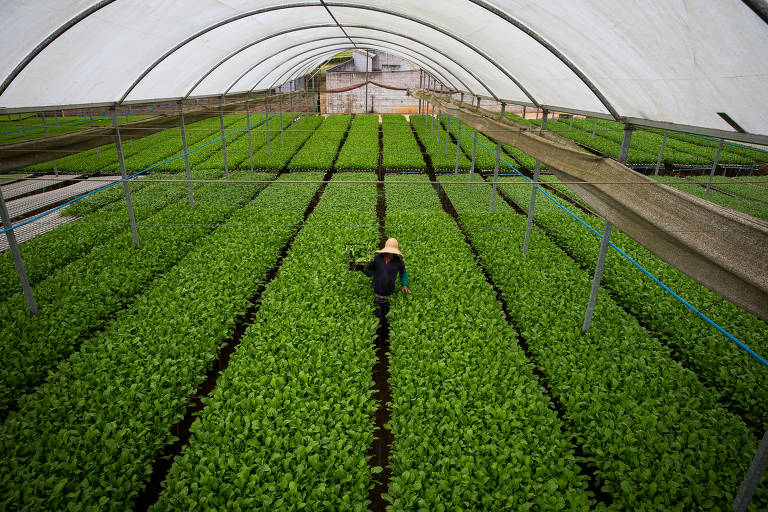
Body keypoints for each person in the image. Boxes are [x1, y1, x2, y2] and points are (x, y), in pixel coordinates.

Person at [364, 238, 411, 328]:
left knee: (387, 319)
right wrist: (363, 269)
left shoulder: (399, 262)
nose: (391, 253)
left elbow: (403, 273)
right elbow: (370, 273)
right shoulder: (377, 258)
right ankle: (379, 333)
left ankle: (385, 331)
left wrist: (404, 285)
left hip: (390, 295)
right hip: (377, 294)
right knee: (377, 318)